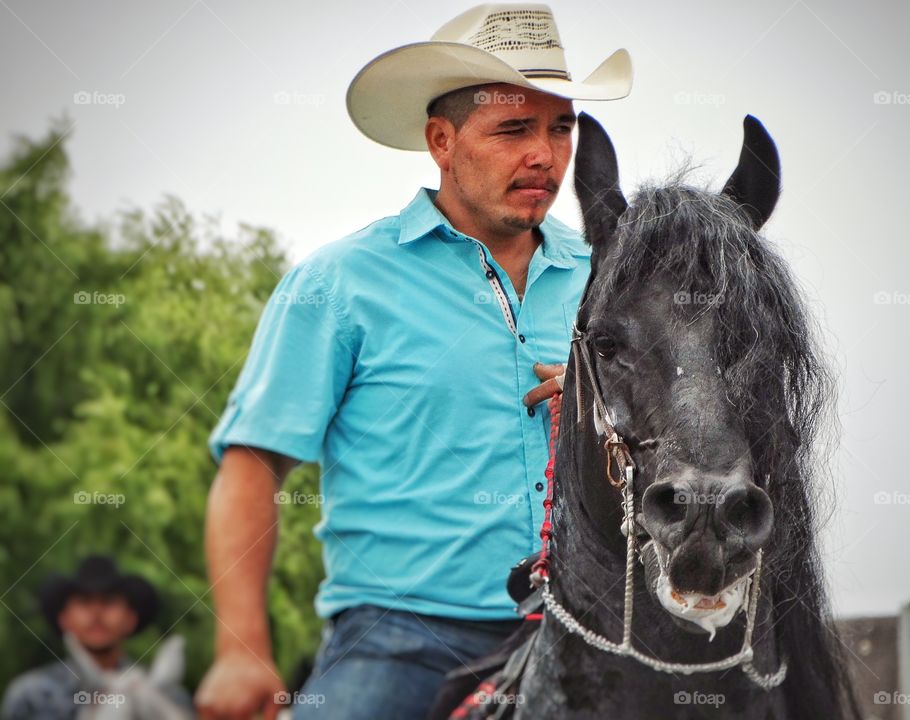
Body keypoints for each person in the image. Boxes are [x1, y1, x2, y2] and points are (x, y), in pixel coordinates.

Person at [194, 4, 632, 719]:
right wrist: (241, 648)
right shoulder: (340, 283)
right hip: (401, 637)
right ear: (442, 140)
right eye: (514, 129)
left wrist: (601, 404)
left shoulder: (609, 285)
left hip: (590, 631)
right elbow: (253, 464)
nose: (546, 156)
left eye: (561, 127)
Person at [1, 554, 192, 719]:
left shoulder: (168, 695)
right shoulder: (32, 696)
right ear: (64, 619)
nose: (96, 612)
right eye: (84, 601)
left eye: (108, 601)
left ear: (131, 619)